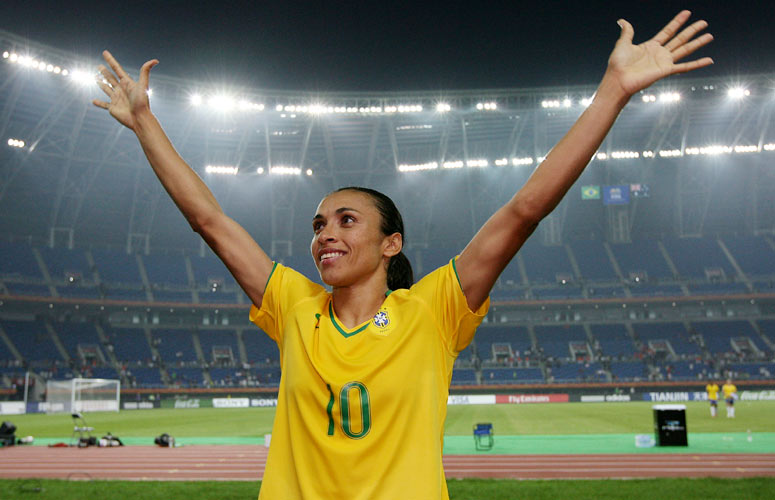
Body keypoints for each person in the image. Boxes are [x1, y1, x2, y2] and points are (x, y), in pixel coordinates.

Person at [93, 10, 712, 500]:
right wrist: (145, 121)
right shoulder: (293, 305)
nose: (325, 234)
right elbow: (210, 220)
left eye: (346, 220)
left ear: (391, 244)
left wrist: (613, 92)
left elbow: (524, 210)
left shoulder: (434, 310)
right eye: (317, 224)